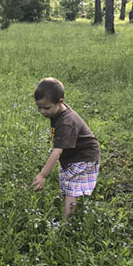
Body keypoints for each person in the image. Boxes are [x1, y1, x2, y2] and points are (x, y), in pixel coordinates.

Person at [30, 77, 101, 219]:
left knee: (72, 189)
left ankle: (67, 222)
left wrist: (43, 175)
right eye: (39, 108)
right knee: (68, 185)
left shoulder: (66, 122)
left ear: (60, 102)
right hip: (73, 155)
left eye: (46, 108)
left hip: (83, 156)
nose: (43, 112)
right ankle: (73, 210)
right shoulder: (58, 111)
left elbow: (57, 152)